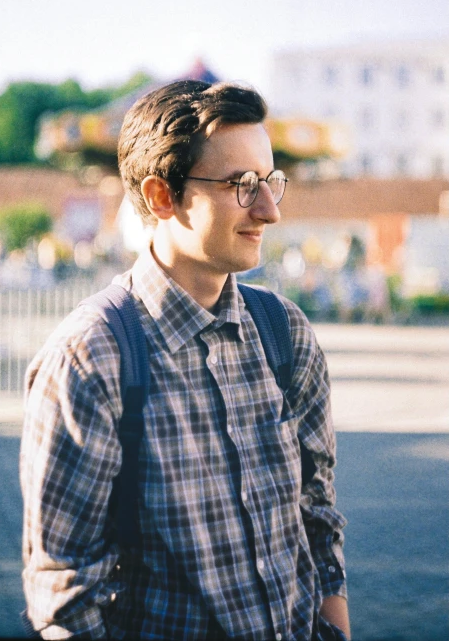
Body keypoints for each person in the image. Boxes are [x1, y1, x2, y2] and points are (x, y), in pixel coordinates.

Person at [20, 80, 350, 640]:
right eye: (242, 185)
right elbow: (65, 594)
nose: (269, 210)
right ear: (161, 196)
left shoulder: (285, 333)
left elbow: (317, 515)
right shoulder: (90, 360)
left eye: (271, 181)